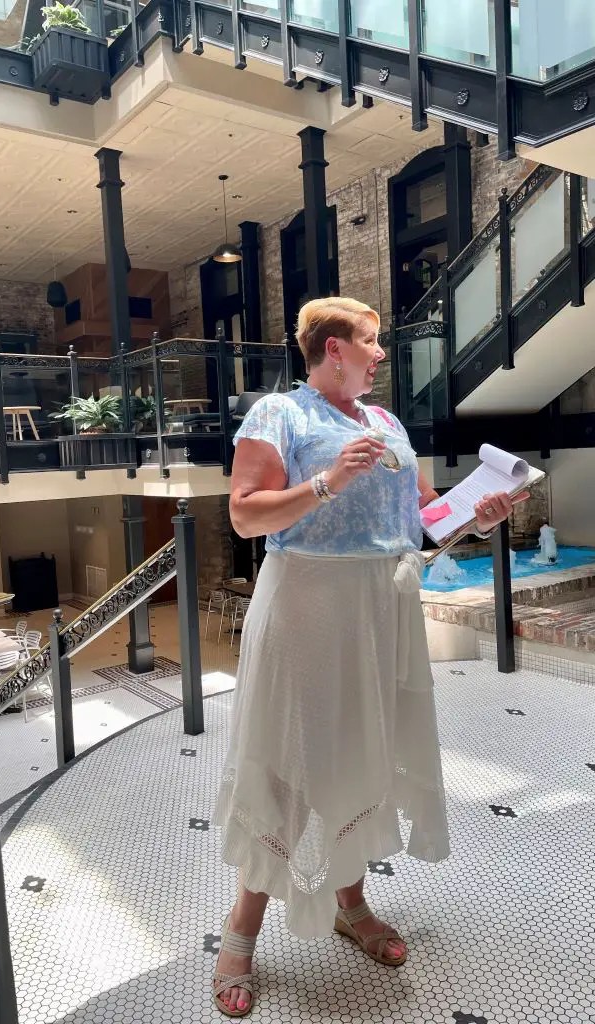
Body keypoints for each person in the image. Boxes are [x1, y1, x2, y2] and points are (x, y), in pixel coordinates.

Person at [212, 297, 527, 1017]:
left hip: (384, 606)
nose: (381, 354)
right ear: (332, 349)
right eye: (371, 341)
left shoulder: (386, 423)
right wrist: (326, 482)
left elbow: (422, 522)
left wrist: (475, 517)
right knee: (289, 758)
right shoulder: (277, 415)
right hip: (307, 605)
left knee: (365, 750)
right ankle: (242, 929)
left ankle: (352, 903)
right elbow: (243, 514)